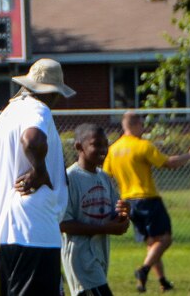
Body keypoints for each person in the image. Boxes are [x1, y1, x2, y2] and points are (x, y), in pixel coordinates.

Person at [0, 58, 75, 295]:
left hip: (6, 230)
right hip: (35, 228)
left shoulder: (6, 115)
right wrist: (40, 171)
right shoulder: (38, 109)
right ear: (51, 92)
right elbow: (32, 140)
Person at [103, 111, 190, 293]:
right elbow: (168, 163)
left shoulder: (113, 150)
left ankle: (160, 281)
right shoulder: (142, 146)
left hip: (128, 202)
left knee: (152, 243)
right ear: (132, 125)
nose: (144, 128)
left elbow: (106, 175)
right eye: (141, 124)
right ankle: (144, 270)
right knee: (165, 239)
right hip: (147, 199)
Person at [60, 123, 130, 296]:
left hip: (99, 255)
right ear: (79, 146)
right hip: (80, 259)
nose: (103, 149)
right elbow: (63, 224)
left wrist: (123, 214)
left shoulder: (103, 177)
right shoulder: (70, 179)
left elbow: (114, 215)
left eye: (105, 144)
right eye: (96, 144)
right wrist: (104, 228)